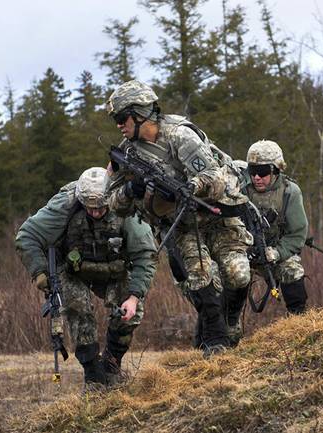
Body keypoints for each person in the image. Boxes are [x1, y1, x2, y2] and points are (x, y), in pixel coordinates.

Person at [105, 80, 252, 356]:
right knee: (200, 277)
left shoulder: (179, 136)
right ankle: (216, 341)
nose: (118, 125)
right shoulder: (126, 154)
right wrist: (129, 190)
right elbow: (110, 201)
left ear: (140, 114)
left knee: (238, 275)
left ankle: (230, 319)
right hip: (181, 224)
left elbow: (215, 178)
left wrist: (193, 186)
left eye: (122, 118)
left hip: (215, 214)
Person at [15, 167, 157, 389]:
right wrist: (40, 273)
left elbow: (145, 255)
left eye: (100, 207)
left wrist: (134, 296)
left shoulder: (125, 207)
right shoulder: (65, 205)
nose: (95, 213)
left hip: (114, 269)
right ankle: (93, 375)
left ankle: (111, 365)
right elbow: (27, 236)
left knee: (132, 312)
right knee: (78, 309)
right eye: (89, 208)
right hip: (73, 270)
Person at [224, 140, 309, 346]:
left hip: (275, 252)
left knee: (293, 271)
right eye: (252, 171)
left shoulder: (290, 192)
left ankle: (299, 327)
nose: (256, 177)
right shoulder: (239, 188)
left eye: (262, 172)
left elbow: (297, 235)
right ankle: (229, 332)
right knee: (235, 275)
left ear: (276, 170)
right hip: (243, 249)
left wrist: (276, 253)